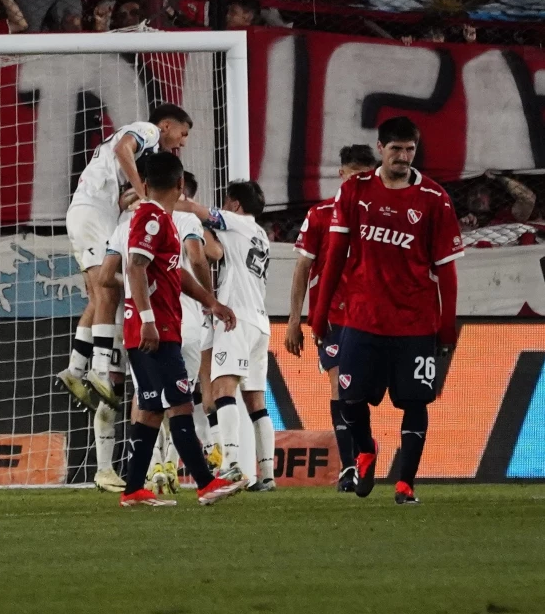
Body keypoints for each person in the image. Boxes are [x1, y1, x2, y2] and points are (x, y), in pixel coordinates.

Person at [311, 117, 464, 505]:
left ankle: (406, 483)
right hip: (362, 319)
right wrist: (319, 313)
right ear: (380, 148)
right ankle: (364, 451)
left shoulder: (434, 198)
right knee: (349, 397)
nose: (403, 156)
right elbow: (335, 258)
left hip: (414, 322)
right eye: (396, 149)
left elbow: (446, 269)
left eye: (410, 149)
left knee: (415, 401)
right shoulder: (355, 191)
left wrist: (446, 328)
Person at [120, 153, 243, 507]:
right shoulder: (153, 217)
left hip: (153, 327)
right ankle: (206, 484)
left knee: (151, 409)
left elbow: (175, 273)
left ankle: (132, 491)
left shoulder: (163, 219)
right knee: (180, 405)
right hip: (156, 329)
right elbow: (136, 268)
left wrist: (211, 302)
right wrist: (148, 321)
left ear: (143, 183)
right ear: (179, 184)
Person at [56, 104, 192, 411]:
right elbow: (121, 148)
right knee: (108, 290)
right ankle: (100, 370)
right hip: (92, 212)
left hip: (93, 212)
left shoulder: (145, 156)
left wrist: (135, 194)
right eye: (183, 133)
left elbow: (122, 194)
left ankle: (75, 369)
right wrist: (144, 194)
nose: (182, 142)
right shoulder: (148, 130)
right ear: (167, 125)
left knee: (100, 293)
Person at [284, 144, 377, 492]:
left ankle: (365, 451)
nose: (360, 181)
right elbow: (303, 267)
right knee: (341, 384)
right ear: (342, 174)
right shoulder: (321, 214)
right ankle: (349, 467)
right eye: (354, 174)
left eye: (366, 176)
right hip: (334, 315)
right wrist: (295, 319)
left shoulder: (382, 217)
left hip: (373, 316)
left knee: (364, 392)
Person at [179, 181, 274, 491]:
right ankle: (268, 474)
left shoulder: (235, 221)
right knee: (257, 402)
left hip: (237, 318)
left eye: (225, 201)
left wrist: (161, 200)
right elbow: (217, 250)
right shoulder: (260, 234)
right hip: (260, 321)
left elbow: (195, 210)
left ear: (234, 204)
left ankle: (231, 464)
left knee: (223, 388)